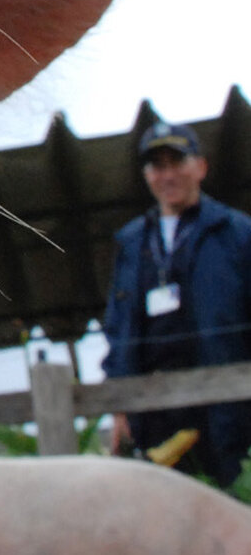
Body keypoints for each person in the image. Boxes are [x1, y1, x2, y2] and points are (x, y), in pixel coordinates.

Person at [102, 122, 251, 486]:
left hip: (229, 407)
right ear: (147, 176)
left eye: (177, 162)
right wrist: (119, 402)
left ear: (200, 167)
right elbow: (120, 326)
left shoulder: (237, 233)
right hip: (156, 413)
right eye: (157, 166)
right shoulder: (132, 242)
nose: (168, 175)